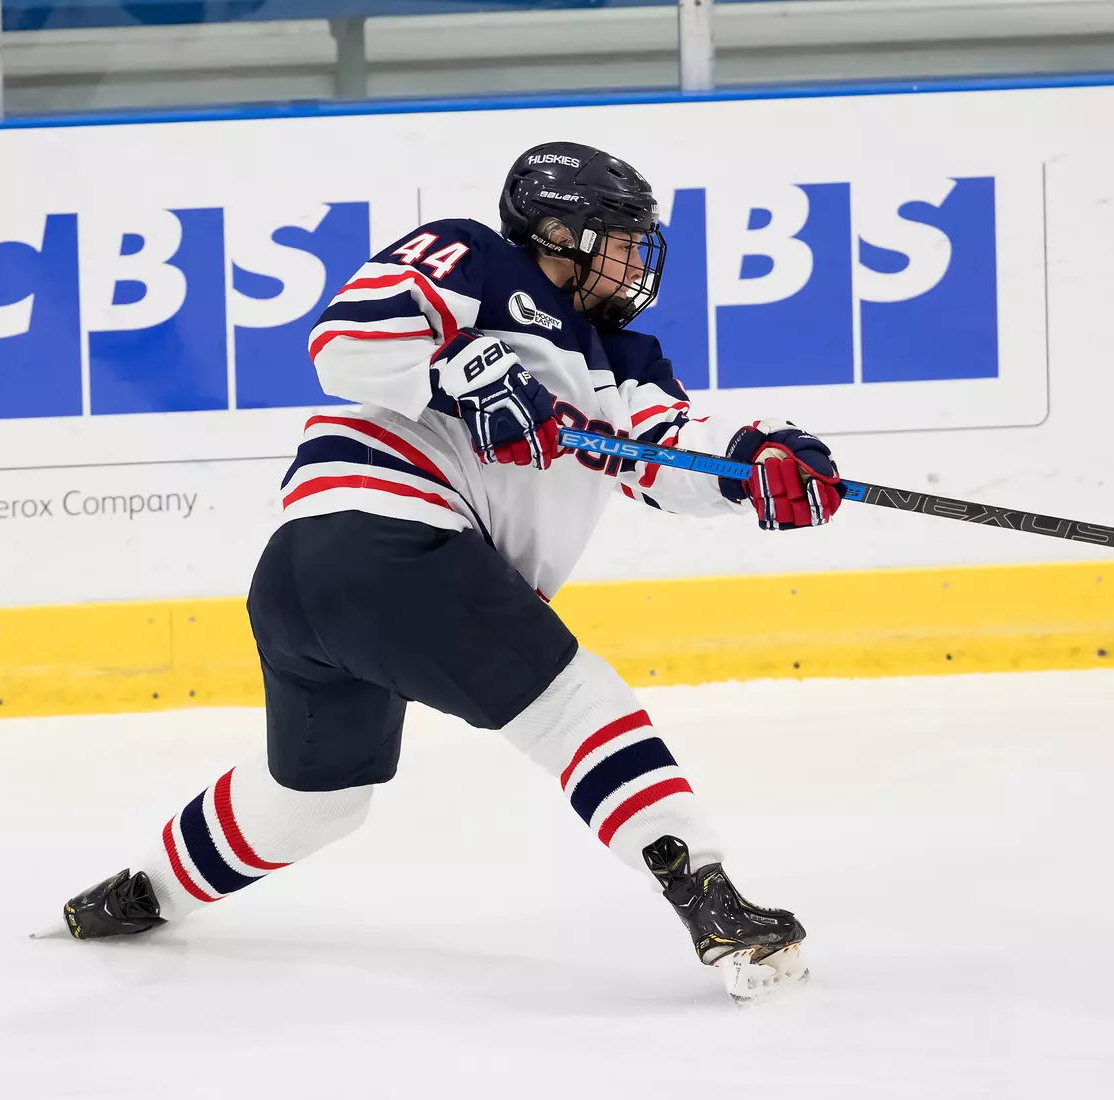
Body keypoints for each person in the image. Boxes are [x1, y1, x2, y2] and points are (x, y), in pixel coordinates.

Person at [59, 141, 845, 1002]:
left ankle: (137, 894)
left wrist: (750, 462)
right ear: (558, 232)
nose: (633, 258)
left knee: (320, 797)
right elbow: (345, 340)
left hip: (310, 587)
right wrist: (460, 375)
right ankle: (713, 904)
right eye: (619, 237)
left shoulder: (628, 364)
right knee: (578, 705)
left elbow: (657, 455)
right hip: (389, 540)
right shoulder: (474, 257)